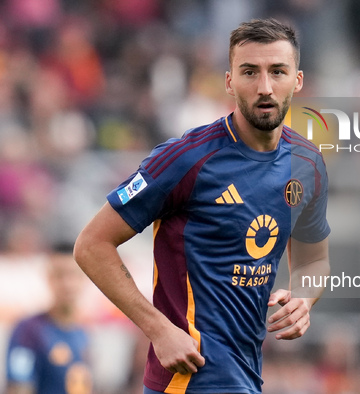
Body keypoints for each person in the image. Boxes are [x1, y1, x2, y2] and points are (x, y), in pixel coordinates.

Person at [74, 18, 330, 394]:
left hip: (246, 375)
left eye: (277, 71)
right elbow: (92, 245)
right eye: (249, 72)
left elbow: (313, 260)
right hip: (187, 379)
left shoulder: (307, 163)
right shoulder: (185, 159)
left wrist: (304, 298)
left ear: (298, 80)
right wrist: (159, 330)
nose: (264, 87)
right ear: (229, 82)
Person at [5, 244, 93, 394]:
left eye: (73, 275)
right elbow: (18, 387)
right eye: (60, 275)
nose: (67, 284)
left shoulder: (84, 333)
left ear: (84, 278)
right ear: (48, 278)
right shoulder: (28, 331)